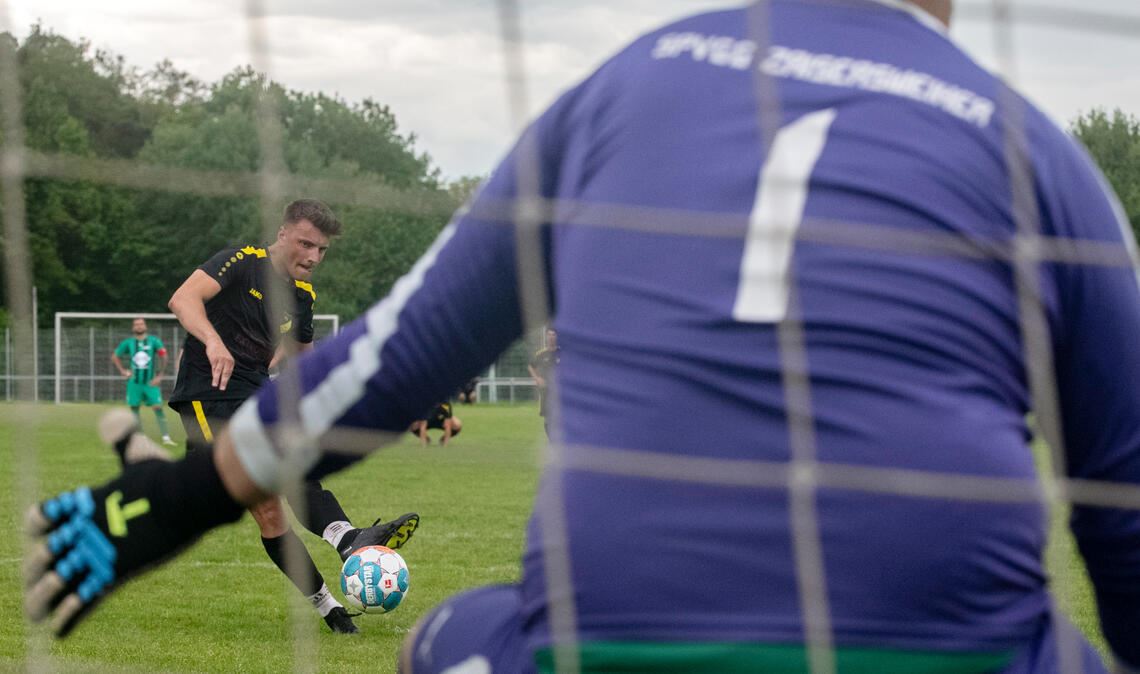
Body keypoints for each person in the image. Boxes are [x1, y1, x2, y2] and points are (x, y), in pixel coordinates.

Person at [24, 1, 1140, 672]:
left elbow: (392, 357)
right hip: (942, 649)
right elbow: (1125, 507)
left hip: (614, 642)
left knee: (456, 632)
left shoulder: (628, 87)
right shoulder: (1040, 156)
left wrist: (176, 502)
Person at [163, 198, 420, 634]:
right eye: (306, 244)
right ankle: (345, 550)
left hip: (255, 395)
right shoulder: (241, 262)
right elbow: (182, 299)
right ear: (282, 234)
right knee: (266, 502)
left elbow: (304, 360)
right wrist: (212, 340)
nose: (313, 257)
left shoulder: (301, 296)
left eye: (322, 250)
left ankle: (335, 599)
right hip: (210, 394)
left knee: (281, 493)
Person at [110, 318, 175, 448]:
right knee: (134, 408)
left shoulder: (154, 341)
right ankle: (140, 437)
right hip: (134, 383)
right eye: (136, 324)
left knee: (158, 407)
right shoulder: (129, 343)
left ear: (145, 326)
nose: (139, 326)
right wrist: (123, 371)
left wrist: (160, 375)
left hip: (150, 382)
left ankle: (166, 437)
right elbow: (115, 356)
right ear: (133, 328)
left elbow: (164, 356)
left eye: (141, 324)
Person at [527, 328, 559, 437]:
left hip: (560, 391)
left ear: (557, 337)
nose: (551, 337)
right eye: (549, 335)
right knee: (548, 420)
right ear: (546, 337)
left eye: (553, 335)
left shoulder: (562, 353)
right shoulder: (541, 354)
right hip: (546, 391)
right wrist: (537, 378)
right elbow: (530, 366)